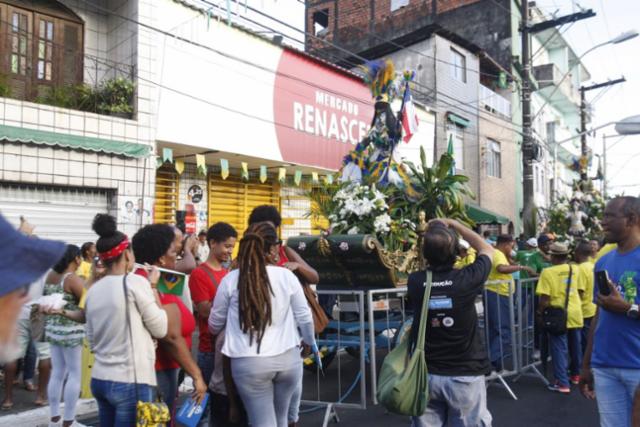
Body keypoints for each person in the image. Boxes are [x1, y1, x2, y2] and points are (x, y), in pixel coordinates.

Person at [210, 222, 316, 427]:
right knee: (281, 419)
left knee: (262, 422)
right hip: (288, 359)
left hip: (249, 362)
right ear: (272, 248)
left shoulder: (231, 279)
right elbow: (304, 316)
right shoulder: (286, 276)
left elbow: (215, 324)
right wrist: (309, 342)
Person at [407, 219, 494, 426]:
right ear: (456, 252)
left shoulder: (416, 281)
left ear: (425, 253)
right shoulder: (467, 278)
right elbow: (487, 249)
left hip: (426, 375)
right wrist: (455, 224)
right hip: (464, 374)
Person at [85, 214, 169, 426]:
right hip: (130, 381)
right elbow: (161, 328)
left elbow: (92, 341)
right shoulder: (135, 283)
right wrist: (152, 286)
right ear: (126, 254)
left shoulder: (93, 290)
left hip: (100, 379)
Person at [248, 205, 319, 427]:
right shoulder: (245, 259)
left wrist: (297, 266)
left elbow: (314, 276)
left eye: (272, 231)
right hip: (257, 339)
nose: (269, 237)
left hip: (290, 334)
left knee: (291, 400)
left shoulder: (285, 251)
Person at [132, 224, 207, 415]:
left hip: (165, 369)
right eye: (174, 252)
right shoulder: (149, 284)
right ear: (161, 258)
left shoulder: (156, 278)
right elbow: (170, 337)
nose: (177, 256)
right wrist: (196, 375)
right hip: (158, 371)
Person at [580, 197, 640, 427]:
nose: (603, 222)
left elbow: (619, 307)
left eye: (609, 216)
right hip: (604, 366)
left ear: (631, 219)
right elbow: (599, 316)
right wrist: (587, 364)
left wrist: (628, 308)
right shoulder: (603, 262)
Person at [0, 215, 64, 406]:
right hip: (38, 311)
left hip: (19, 313)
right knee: (44, 354)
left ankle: (8, 399)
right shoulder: (42, 268)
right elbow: (51, 289)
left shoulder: (13, 265)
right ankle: (41, 396)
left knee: (12, 355)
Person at [189, 222, 238, 426]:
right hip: (209, 349)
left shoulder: (228, 274)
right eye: (226, 246)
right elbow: (204, 310)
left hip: (227, 348)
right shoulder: (199, 274)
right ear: (212, 243)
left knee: (223, 404)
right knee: (204, 406)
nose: (230, 251)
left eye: (232, 247)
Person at [42, 244, 85, 427]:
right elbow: (87, 301)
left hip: (53, 330)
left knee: (57, 372)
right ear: (76, 258)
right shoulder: (72, 278)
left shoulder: (51, 275)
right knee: (74, 374)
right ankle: (69, 421)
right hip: (71, 331)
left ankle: (54, 419)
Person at [536, 242, 585, 393]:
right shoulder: (575, 269)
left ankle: (563, 383)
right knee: (576, 346)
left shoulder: (548, 272)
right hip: (575, 311)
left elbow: (545, 298)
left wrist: (540, 312)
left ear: (553, 256)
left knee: (559, 348)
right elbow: (580, 291)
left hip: (558, 314)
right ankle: (576, 375)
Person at [486, 234, 536, 370]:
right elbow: (501, 268)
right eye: (512, 246)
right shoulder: (497, 253)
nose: (513, 249)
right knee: (504, 331)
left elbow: (508, 264)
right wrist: (522, 268)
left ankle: (496, 364)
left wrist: (511, 259)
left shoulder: (499, 253)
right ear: (507, 244)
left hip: (498, 293)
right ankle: (491, 361)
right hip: (498, 294)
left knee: (496, 330)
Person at [574, 240, 596, 355]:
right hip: (593, 308)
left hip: (584, 310)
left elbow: (580, 292)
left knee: (584, 342)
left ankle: (585, 363)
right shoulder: (593, 266)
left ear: (578, 253)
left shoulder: (581, 269)